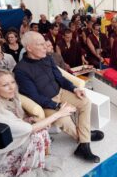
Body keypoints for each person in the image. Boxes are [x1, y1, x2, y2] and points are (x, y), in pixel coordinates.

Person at [14, 31, 103, 163]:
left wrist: (74, 88)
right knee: (63, 120)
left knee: (85, 102)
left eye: (45, 44)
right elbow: (34, 96)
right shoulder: (21, 70)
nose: (45, 47)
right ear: (29, 48)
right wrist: (57, 106)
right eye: (41, 45)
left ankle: (84, 144)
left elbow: (60, 78)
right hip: (47, 102)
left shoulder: (47, 57)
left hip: (60, 92)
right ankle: (85, 138)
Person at [0, 69, 76, 176]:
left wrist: (29, 119)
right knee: (37, 136)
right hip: (1, 155)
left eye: (13, 82)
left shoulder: (10, 99)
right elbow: (29, 129)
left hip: (11, 140)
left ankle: (37, 161)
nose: (12, 87)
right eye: (5, 85)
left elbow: (14, 124)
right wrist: (59, 113)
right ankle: (28, 169)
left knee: (42, 129)